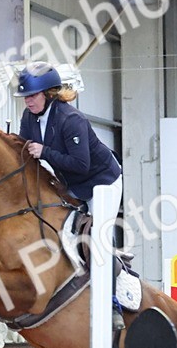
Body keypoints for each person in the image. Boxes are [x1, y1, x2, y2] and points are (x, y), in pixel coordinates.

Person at [15, 62, 140, 310]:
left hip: (101, 181)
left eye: (32, 96)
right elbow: (23, 149)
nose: (28, 101)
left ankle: (116, 296)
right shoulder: (29, 117)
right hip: (69, 183)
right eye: (25, 97)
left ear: (48, 94)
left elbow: (81, 164)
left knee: (98, 237)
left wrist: (45, 151)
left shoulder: (71, 119)